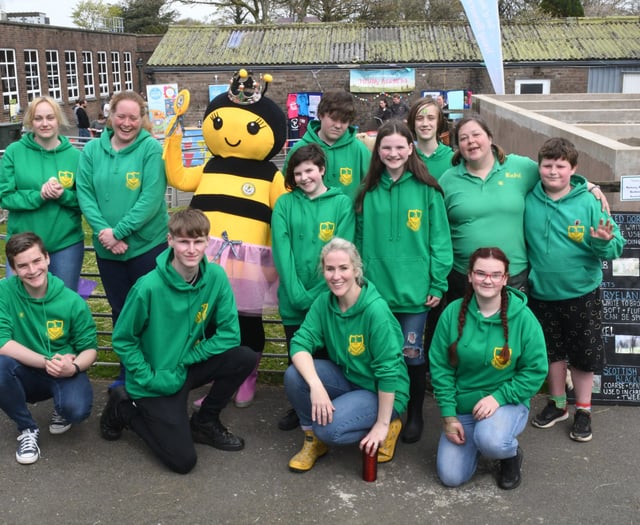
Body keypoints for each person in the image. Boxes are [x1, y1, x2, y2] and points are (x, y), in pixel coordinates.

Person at [100, 208, 257, 474]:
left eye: (198, 241)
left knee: (244, 357)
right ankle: (123, 408)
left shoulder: (216, 277)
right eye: (184, 241)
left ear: (208, 242)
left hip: (185, 365)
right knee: (183, 462)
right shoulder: (147, 287)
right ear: (170, 240)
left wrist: (189, 358)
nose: (192, 249)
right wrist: (148, 376)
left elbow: (230, 334)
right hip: (155, 376)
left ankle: (205, 422)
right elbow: (124, 340)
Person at [439, 114, 609, 302]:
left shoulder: (520, 168)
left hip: (513, 275)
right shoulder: (448, 180)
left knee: (513, 329)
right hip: (465, 276)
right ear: (458, 146)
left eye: (476, 134)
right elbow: (437, 228)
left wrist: (587, 185)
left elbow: (555, 172)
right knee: (467, 330)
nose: (471, 141)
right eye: (463, 138)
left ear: (489, 138)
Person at [355, 120, 452, 444]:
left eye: (399, 147)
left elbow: (440, 240)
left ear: (410, 149)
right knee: (381, 354)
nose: (393, 153)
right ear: (378, 151)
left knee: (412, 354)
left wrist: (437, 282)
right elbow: (357, 238)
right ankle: (387, 414)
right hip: (376, 292)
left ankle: (414, 414)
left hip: (414, 293)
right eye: (386, 148)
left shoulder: (427, 189)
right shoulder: (367, 191)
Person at [526, 138, 625, 442]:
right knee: (551, 353)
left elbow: (616, 247)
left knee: (583, 355)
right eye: (547, 165)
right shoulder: (528, 197)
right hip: (541, 292)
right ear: (539, 166)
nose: (553, 171)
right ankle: (558, 405)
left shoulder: (589, 201)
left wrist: (603, 242)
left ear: (574, 169)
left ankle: (583, 409)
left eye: (560, 166)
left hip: (581, 292)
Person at [284, 238, 409, 472]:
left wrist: (381, 424)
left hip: (379, 388)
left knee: (330, 429)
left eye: (344, 268)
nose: (336, 275)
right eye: (330, 269)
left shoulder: (375, 310)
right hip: (349, 378)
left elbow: (388, 371)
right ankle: (314, 441)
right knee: (295, 376)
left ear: (356, 270)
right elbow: (300, 343)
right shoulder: (324, 302)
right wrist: (316, 386)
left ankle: (389, 424)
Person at [429, 247, 548, 489]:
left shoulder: (523, 318)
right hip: (464, 406)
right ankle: (479, 441)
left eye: (495, 274)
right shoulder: (452, 313)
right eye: (481, 273)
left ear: (505, 279)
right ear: (470, 276)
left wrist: (499, 397)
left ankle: (508, 454)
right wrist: (449, 416)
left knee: (492, 440)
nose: (487, 280)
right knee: (451, 477)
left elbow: (535, 370)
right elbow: (441, 369)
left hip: (505, 403)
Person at [76, 90, 169, 389]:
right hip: (108, 250)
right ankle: (127, 369)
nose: (126, 123)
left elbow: (151, 199)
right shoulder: (91, 151)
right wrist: (106, 234)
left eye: (133, 117)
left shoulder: (151, 150)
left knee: (151, 309)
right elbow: (85, 194)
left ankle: (154, 368)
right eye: (121, 116)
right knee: (120, 310)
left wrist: (118, 232)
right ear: (110, 115)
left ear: (142, 118)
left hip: (147, 246)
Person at [272, 144, 355, 431]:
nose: (304, 177)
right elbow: (282, 250)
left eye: (309, 170)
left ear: (321, 170)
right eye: (297, 173)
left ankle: (330, 403)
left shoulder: (341, 203)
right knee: (296, 354)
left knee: (327, 355)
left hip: (329, 296)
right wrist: (296, 293)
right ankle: (300, 406)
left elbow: (342, 251)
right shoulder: (285, 204)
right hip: (293, 297)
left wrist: (319, 295)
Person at [0, 232, 97, 465]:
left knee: (76, 410)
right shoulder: (4, 291)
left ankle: (61, 408)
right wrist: (46, 361)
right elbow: (2, 343)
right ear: (13, 268)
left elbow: (90, 349)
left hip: (64, 369)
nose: (32, 270)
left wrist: (72, 368)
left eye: (36, 261)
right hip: (26, 368)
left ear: (47, 258)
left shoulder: (72, 301)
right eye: (22, 266)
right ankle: (27, 428)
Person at [0, 96, 84, 291]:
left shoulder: (76, 156)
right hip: (21, 247)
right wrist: (39, 196)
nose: (44, 123)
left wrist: (63, 195)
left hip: (65, 244)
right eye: (38, 118)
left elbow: (84, 201)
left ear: (59, 120)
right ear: (30, 121)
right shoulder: (14, 152)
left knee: (63, 304)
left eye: (50, 117)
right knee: (21, 308)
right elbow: (5, 196)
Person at [283, 89, 371, 201]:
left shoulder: (360, 150)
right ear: (320, 115)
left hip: (348, 218)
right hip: (309, 217)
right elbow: (287, 189)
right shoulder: (299, 149)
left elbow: (372, 189)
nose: (338, 125)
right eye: (333, 119)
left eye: (344, 121)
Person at [407, 96, 453, 179]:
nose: (425, 124)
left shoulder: (453, 160)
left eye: (431, 118)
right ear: (412, 122)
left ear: (438, 122)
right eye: (419, 118)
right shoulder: (405, 159)